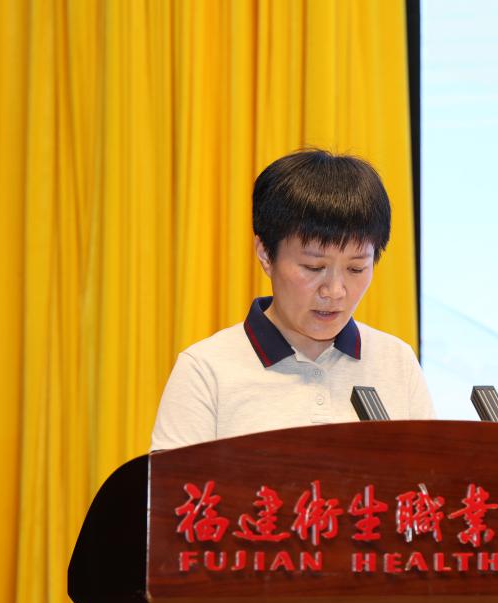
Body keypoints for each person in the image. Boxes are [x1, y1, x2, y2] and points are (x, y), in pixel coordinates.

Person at [150, 149, 435, 451]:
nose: (335, 291)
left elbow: (430, 478)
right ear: (265, 254)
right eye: (313, 267)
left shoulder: (397, 362)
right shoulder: (206, 370)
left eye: (356, 269)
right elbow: (172, 483)